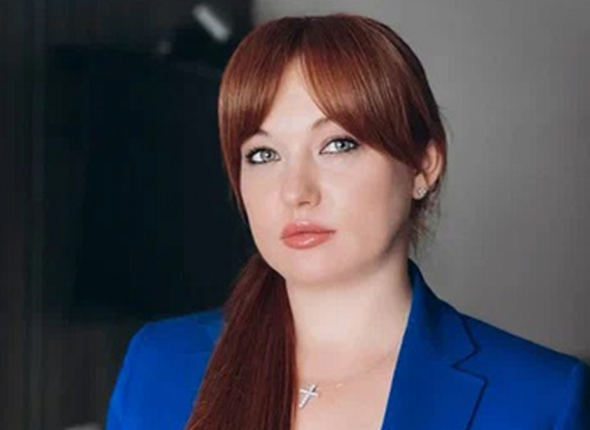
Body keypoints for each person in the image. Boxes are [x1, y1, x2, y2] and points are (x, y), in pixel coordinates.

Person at [105, 13, 589, 430]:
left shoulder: (541, 398)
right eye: (263, 154)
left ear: (423, 166)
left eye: (338, 145)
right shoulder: (160, 364)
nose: (296, 191)